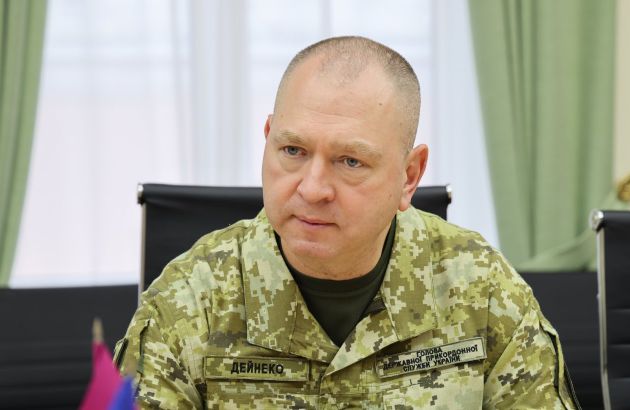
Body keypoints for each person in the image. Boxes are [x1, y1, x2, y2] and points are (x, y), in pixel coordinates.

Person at [115, 36, 579, 409]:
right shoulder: (190, 300)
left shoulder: (482, 289)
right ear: (268, 139)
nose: (313, 188)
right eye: (293, 150)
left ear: (409, 176)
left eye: (350, 161)